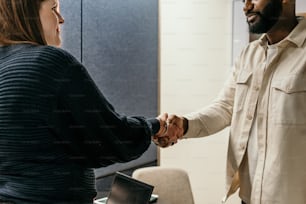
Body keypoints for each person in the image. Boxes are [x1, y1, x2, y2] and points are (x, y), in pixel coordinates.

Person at [0, 0, 168, 203]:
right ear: (28, 13)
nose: (61, 19)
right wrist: (155, 126)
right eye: (54, 9)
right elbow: (113, 139)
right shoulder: (50, 63)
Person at [160, 0, 306, 203]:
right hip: (249, 197)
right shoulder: (249, 54)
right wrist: (184, 125)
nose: (246, 6)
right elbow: (225, 108)